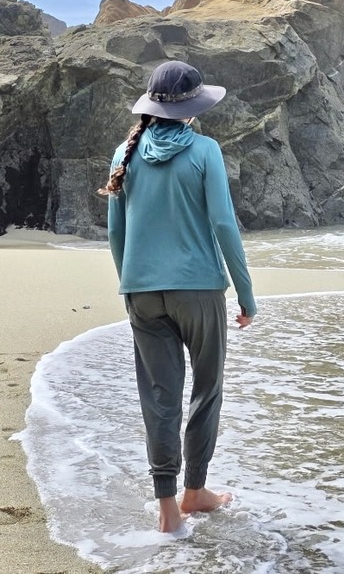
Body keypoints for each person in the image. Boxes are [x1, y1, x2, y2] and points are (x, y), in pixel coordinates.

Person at [97, 59, 259, 534]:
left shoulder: (122, 153)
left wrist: (132, 282)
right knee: (206, 393)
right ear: (191, 108)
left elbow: (115, 234)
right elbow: (224, 225)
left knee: (159, 397)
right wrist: (246, 293)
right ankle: (196, 492)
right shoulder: (206, 150)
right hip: (199, 289)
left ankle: (168, 509)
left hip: (141, 291)